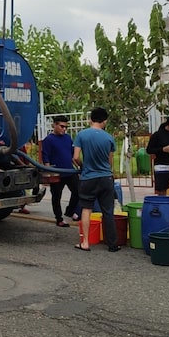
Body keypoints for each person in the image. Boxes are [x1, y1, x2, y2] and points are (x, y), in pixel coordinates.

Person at [72, 107, 119, 252]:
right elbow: (109, 161)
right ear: (104, 121)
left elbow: (75, 157)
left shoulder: (82, 135)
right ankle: (112, 244)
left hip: (88, 178)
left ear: (90, 119)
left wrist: (82, 166)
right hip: (105, 178)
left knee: (86, 209)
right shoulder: (109, 138)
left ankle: (85, 242)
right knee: (108, 211)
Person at [42, 115, 79, 227]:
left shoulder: (68, 138)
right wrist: (49, 173)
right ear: (55, 125)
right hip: (57, 173)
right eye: (62, 126)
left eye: (65, 127)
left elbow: (73, 155)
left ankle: (70, 211)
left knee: (78, 191)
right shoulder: (49, 140)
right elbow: (46, 157)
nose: (64, 129)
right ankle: (59, 218)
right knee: (56, 196)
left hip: (69, 171)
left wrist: (78, 167)